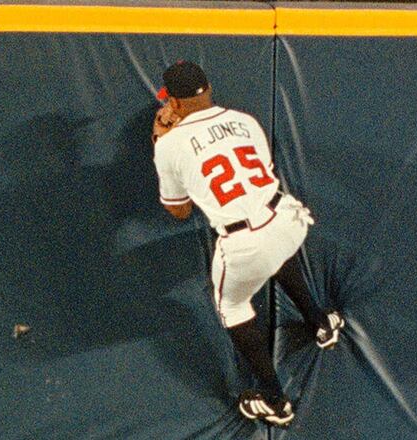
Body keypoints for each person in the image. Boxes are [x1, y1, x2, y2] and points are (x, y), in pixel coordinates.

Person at [151, 61, 345, 427]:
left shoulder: (169, 144)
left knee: (232, 306)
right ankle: (322, 325)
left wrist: (160, 140)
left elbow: (178, 211)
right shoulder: (245, 120)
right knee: (277, 252)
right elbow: (260, 174)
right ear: (208, 89)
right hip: (287, 219)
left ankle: (275, 400)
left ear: (172, 104)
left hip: (244, 245)